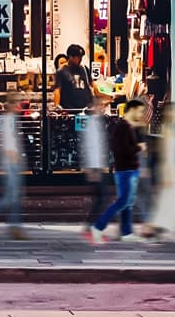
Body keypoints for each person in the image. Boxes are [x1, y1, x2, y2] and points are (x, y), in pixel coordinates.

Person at [90, 99, 148, 242]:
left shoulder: (127, 126)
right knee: (123, 201)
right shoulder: (122, 127)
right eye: (140, 111)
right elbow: (121, 149)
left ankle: (126, 232)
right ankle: (98, 226)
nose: (141, 115)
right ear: (132, 110)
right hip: (125, 170)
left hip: (129, 169)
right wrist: (139, 148)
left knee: (127, 203)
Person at [145, 104, 175, 240]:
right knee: (170, 200)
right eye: (174, 111)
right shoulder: (166, 130)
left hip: (171, 169)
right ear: (168, 113)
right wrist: (168, 173)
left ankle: (156, 227)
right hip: (167, 170)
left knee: (170, 201)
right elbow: (165, 155)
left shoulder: (171, 129)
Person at [0, 101, 27, 239]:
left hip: (13, 162)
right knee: (10, 196)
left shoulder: (10, 120)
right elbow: (8, 142)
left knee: (14, 196)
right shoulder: (7, 121)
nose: (17, 107)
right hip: (10, 162)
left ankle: (15, 227)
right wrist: (14, 158)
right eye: (15, 105)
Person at [80, 96, 110, 237]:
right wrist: (91, 168)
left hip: (97, 165)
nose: (102, 108)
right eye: (100, 105)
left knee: (101, 196)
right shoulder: (93, 124)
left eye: (103, 106)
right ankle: (93, 224)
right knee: (102, 196)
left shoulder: (97, 123)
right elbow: (89, 146)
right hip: (95, 166)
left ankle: (92, 224)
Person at [54, 44, 97, 111]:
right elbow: (57, 90)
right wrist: (57, 106)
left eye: (81, 57)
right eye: (78, 57)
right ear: (70, 57)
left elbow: (93, 86)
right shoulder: (61, 71)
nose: (80, 60)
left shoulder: (85, 69)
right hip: (70, 109)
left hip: (87, 108)